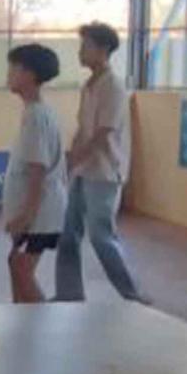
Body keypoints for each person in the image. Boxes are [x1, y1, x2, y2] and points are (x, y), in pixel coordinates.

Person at [56, 23, 147, 304]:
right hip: (83, 170)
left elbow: (102, 133)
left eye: (86, 46)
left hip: (105, 172)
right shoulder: (89, 86)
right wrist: (71, 159)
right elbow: (83, 129)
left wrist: (76, 159)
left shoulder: (114, 87)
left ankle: (131, 293)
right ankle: (69, 293)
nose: (80, 52)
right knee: (68, 234)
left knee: (101, 236)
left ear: (103, 49)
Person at [1, 44, 67, 303]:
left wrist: (26, 216)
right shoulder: (34, 112)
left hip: (40, 215)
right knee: (16, 265)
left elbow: (37, 170)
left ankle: (45, 322)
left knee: (21, 268)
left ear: (29, 74)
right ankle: (21, 320)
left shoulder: (37, 116)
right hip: (37, 214)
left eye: (14, 68)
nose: (8, 74)